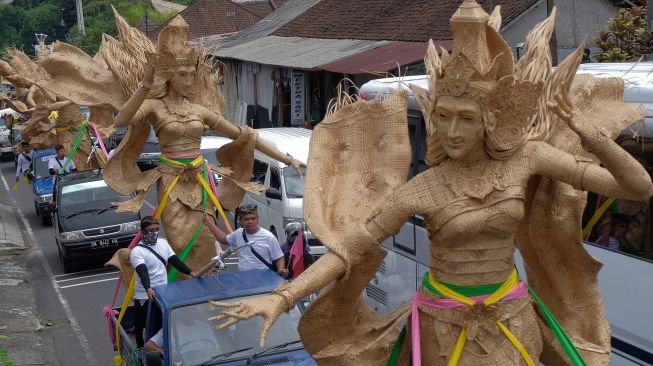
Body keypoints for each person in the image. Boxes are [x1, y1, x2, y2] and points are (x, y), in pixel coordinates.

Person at [210, 2, 653, 365]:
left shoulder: (528, 158)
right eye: (443, 117)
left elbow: (637, 188)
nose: (453, 131)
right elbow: (352, 249)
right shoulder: (420, 190)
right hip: (443, 329)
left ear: (489, 120)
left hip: (515, 318)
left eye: (466, 118)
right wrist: (283, 298)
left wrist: (588, 133)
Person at [130, 216, 198, 348]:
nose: (154, 233)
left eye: (156, 229)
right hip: (145, 296)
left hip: (162, 293)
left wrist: (190, 272)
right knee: (142, 327)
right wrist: (148, 288)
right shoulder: (137, 252)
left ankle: (162, 351)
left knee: (161, 325)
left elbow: (174, 261)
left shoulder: (163, 243)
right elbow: (142, 271)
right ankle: (141, 351)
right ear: (143, 232)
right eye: (150, 230)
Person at [203, 204, 288, 277]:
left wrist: (280, 271)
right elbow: (224, 239)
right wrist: (209, 223)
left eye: (253, 218)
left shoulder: (269, 237)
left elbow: (279, 257)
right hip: (243, 278)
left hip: (263, 279)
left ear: (257, 219)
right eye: (246, 219)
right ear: (240, 221)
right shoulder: (238, 233)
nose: (250, 222)